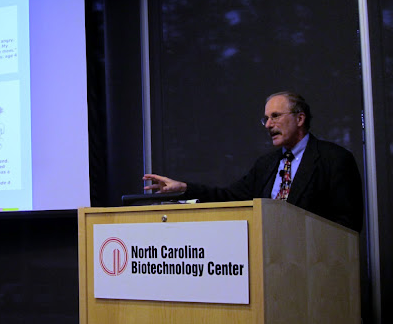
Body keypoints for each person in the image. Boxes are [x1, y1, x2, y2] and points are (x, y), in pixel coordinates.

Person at [143, 91, 363, 232]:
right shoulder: (266, 164)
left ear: (300, 118)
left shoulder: (334, 159)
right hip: (269, 263)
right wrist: (184, 188)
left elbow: (347, 225)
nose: (268, 125)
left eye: (275, 116)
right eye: (266, 119)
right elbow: (229, 197)